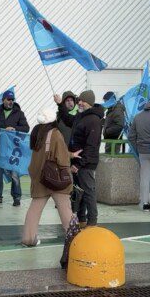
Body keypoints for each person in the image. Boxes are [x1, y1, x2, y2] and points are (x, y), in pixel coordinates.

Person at [21, 108, 79, 247]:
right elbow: (61, 157)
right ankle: (75, 241)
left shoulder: (36, 133)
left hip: (39, 178)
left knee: (34, 210)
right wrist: (70, 165)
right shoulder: (55, 134)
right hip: (56, 179)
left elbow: (42, 155)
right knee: (65, 210)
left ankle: (29, 239)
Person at [56, 90, 104, 226]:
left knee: (88, 192)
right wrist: (60, 105)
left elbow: (92, 146)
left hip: (85, 164)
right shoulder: (80, 116)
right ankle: (81, 220)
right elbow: (67, 119)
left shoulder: (93, 120)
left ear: (90, 102)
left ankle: (92, 222)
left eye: (83, 101)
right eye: (79, 101)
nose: (80, 103)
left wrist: (79, 164)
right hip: (77, 161)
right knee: (79, 192)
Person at [0, 89, 29, 206]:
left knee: (15, 174)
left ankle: (17, 197)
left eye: (12, 99)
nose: (11, 101)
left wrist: (14, 129)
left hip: (13, 150)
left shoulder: (19, 113)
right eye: (8, 99)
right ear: (3, 100)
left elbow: (26, 128)